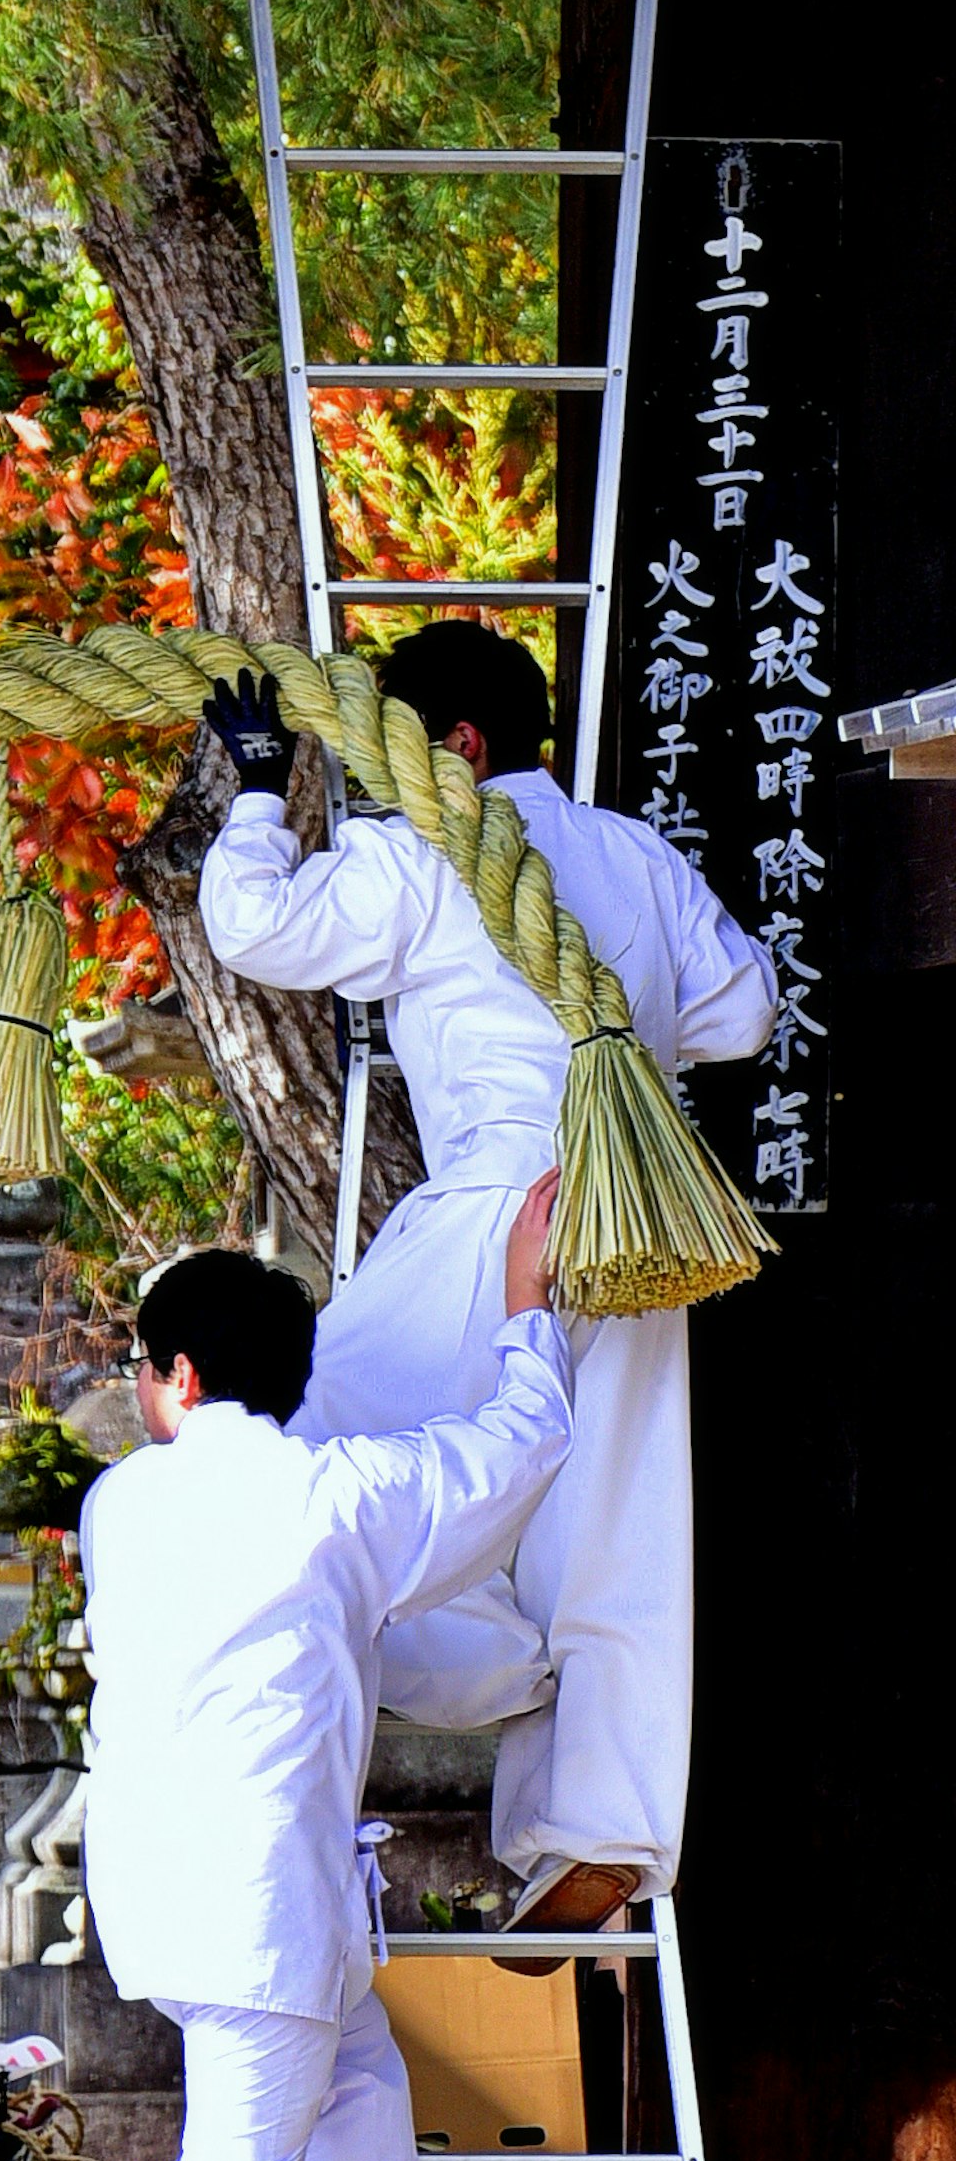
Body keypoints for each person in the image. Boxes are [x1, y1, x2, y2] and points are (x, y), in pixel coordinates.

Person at [193, 618, 773, 1920]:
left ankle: (497, 1666)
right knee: (611, 1529)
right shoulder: (634, 851)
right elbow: (743, 1011)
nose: (388, 785)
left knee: (293, 1448)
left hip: (496, 1208)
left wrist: (256, 788)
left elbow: (254, 927)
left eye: (397, 754)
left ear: (455, 744)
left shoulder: (424, 854)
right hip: (635, 1217)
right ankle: (594, 1828)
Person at [78, 1194, 570, 2161]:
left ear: (175, 1379)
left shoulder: (123, 1501)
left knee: (362, 2091)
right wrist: (527, 1308)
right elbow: (517, 1449)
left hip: (189, 1897)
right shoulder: (336, 1498)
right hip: (255, 1904)